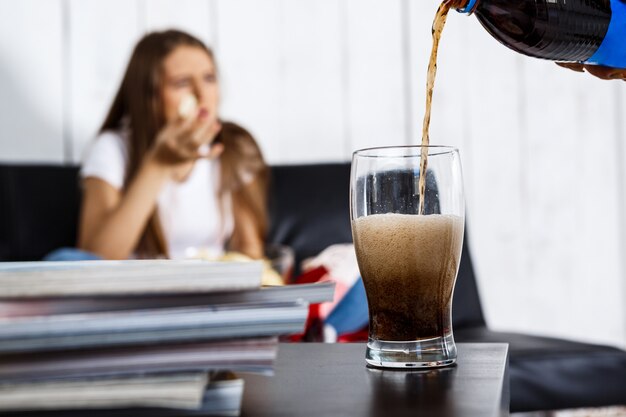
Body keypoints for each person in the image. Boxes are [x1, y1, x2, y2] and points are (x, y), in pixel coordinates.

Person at [65, 30, 268, 262]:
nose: (202, 95)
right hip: (139, 292)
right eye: (182, 83)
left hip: (210, 292)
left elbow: (250, 250)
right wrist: (158, 165)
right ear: (149, 95)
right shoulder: (113, 148)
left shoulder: (234, 147)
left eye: (209, 78)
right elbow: (96, 257)